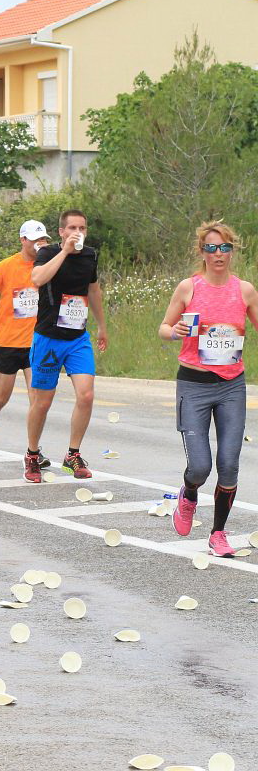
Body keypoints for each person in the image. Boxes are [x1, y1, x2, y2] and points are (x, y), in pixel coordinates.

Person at [158, 220, 258, 557]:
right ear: (202, 252)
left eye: (225, 247)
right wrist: (175, 332)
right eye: (211, 248)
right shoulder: (189, 288)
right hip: (194, 385)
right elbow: (164, 327)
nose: (219, 254)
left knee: (229, 463)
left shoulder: (244, 290)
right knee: (200, 467)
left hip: (232, 385)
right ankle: (188, 495)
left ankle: (218, 533)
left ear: (232, 251)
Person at [23, 209, 107, 483]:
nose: (77, 233)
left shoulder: (90, 255)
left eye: (82, 228)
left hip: (77, 338)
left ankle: (73, 454)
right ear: (61, 231)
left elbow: (93, 290)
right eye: (72, 228)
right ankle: (32, 454)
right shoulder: (47, 253)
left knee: (86, 395)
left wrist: (102, 326)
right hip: (48, 338)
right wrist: (64, 252)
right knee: (42, 402)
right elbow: (37, 280)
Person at [0, 220, 51, 465]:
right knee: (1, 398)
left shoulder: (47, 266)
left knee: (37, 400)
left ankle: (34, 451)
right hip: (7, 342)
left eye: (42, 239)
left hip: (36, 342)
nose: (39, 243)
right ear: (22, 240)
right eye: (34, 239)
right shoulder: (7, 266)